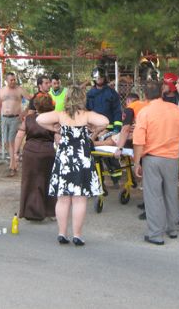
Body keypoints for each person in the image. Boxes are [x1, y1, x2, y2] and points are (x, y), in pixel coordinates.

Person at [37, 86, 109, 246]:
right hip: (81, 158)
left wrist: (55, 128)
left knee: (62, 199)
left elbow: (39, 119)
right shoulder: (87, 115)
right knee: (79, 199)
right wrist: (94, 129)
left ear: (68, 99)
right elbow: (105, 121)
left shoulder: (60, 115)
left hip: (64, 158)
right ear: (82, 99)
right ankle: (77, 235)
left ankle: (62, 233)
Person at [133, 81, 179, 246]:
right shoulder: (176, 110)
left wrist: (136, 162)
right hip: (172, 159)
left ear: (145, 95)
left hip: (151, 159)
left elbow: (138, 141)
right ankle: (173, 228)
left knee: (153, 197)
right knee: (171, 193)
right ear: (162, 92)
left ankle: (155, 234)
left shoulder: (144, 113)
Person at [15, 94, 57, 221]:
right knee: (48, 181)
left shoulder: (28, 118)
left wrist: (15, 152)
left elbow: (19, 135)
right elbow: (58, 138)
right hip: (48, 153)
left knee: (30, 182)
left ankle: (31, 212)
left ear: (36, 105)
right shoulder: (53, 120)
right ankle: (49, 211)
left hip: (30, 153)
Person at [86, 67, 123, 186]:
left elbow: (117, 112)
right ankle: (97, 178)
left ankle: (115, 177)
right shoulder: (90, 94)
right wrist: (90, 128)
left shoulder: (112, 93)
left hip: (109, 129)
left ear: (105, 78)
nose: (99, 79)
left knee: (109, 155)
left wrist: (116, 129)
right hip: (94, 129)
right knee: (92, 154)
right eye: (97, 77)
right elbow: (87, 111)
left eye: (101, 77)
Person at [0, 72, 32, 177]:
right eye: (11, 80)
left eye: (14, 79)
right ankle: (14, 164)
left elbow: (31, 99)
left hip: (15, 118)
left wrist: (25, 112)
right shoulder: (2, 91)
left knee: (11, 142)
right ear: (7, 80)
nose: (13, 81)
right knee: (6, 142)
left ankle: (12, 167)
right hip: (4, 119)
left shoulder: (19, 89)